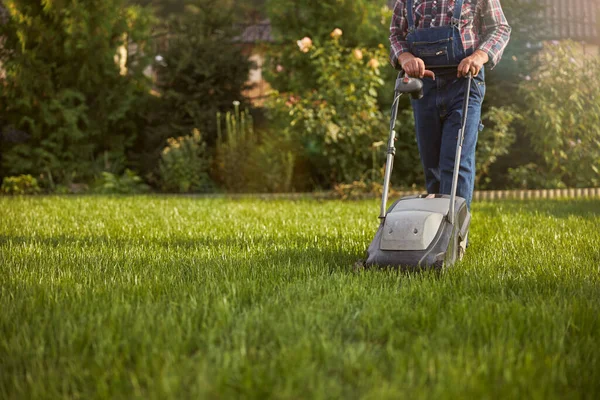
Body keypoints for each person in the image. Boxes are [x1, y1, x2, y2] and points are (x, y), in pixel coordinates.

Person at [389, 0, 511, 211]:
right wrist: (405, 56)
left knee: (456, 162)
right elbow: (396, 35)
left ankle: (455, 236)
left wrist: (479, 56)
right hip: (423, 86)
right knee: (432, 165)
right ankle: (435, 230)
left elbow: (499, 28)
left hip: (464, 82)